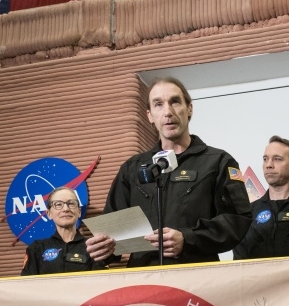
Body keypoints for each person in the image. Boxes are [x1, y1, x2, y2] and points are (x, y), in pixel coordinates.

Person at [86, 77, 252, 266]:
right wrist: (104, 249)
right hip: (144, 279)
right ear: (149, 115)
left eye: (175, 101)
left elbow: (237, 220)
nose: (168, 112)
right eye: (158, 104)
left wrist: (188, 239)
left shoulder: (218, 162)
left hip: (197, 279)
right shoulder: (131, 169)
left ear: (189, 109)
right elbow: (112, 233)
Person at [21, 187, 99, 275]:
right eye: (58, 204)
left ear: (79, 212)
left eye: (71, 203)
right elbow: (26, 285)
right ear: (49, 214)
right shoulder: (36, 248)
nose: (66, 209)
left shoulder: (93, 247)